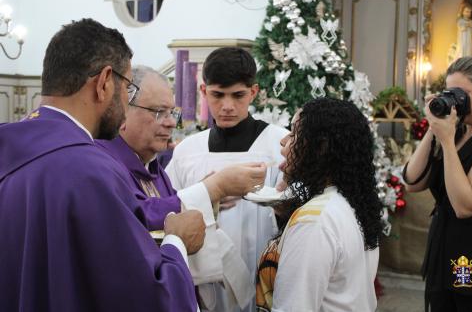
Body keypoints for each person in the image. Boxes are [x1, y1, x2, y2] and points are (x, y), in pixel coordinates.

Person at [0, 19, 205, 312]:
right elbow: (150, 299)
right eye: (129, 88)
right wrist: (177, 242)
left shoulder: (10, 151)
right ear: (105, 82)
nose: (126, 101)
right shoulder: (89, 170)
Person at [166, 47, 289, 312]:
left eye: (238, 95)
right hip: (202, 282)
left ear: (253, 92)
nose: (227, 106)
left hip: (264, 277)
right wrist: (207, 194)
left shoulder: (278, 145)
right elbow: (165, 210)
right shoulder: (188, 151)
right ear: (203, 91)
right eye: (217, 95)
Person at [95, 65, 267, 235]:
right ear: (123, 109)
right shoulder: (101, 162)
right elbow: (135, 217)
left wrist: (209, 197)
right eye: (159, 112)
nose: (171, 123)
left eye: (172, 113)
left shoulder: (152, 167)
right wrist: (212, 188)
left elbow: (174, 208)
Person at [255, 98, 383, 312]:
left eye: (295, 132)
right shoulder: (352, 201)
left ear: (321, 147)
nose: (283, 140)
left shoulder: (313, 221)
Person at [403, 56, 472, 311]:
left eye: (463, 93)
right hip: (443, 252)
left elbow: (465, 205)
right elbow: (412, 182)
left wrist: (446, 142)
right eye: (450, 92)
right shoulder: (454, 131)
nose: (457, 100)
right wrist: (434, 129)